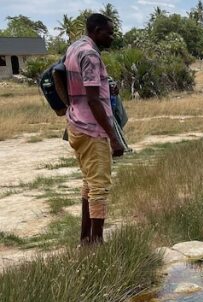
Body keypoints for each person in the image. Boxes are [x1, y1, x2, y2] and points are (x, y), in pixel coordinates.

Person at [64, 13, 124, 244]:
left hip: (76, 124)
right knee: (99, 186)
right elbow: (92, 99)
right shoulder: (90, 54)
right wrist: (114, 138)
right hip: (92, 129)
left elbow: (72, 82)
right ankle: (97, 242)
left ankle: (85, 239)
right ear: (96, 31)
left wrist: (107, 88)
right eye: (109, 32)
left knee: (89, 182)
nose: (112, 36)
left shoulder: (75, 47)